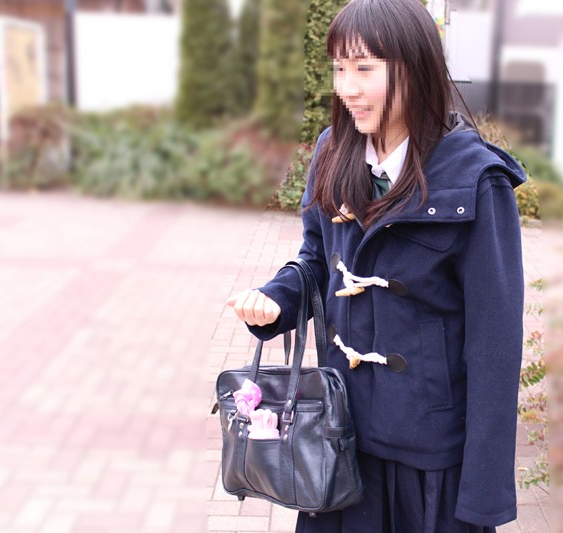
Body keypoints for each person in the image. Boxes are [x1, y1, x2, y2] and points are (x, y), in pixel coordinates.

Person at [227, 0, 525, 530]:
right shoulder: (333, 152)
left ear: (414, 68)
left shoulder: (476, 181)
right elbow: (317, 259)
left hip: (430, 459)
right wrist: (278, 297)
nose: (347, 88)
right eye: (339, 68)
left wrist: (484, 493)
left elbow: (494, 346)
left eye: (364, 68)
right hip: (339, 438)